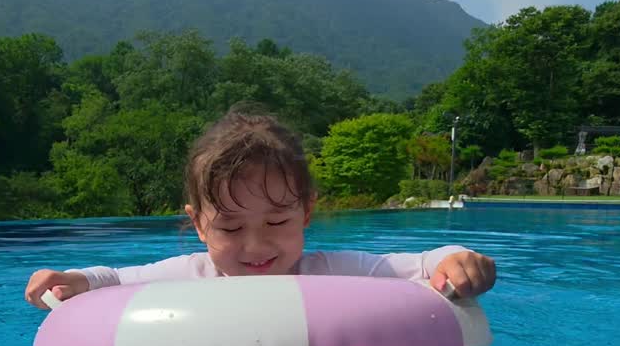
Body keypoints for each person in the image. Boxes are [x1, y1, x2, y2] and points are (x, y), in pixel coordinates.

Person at [25, 110, 496, 308]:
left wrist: (456, 259)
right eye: (230, 227)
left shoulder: (333, 272)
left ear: (307, 213)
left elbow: (417, 265)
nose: (255, 245)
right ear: (198, 224)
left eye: (276, 221)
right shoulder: (187, 275)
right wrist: (76, 279)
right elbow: (117, 279)